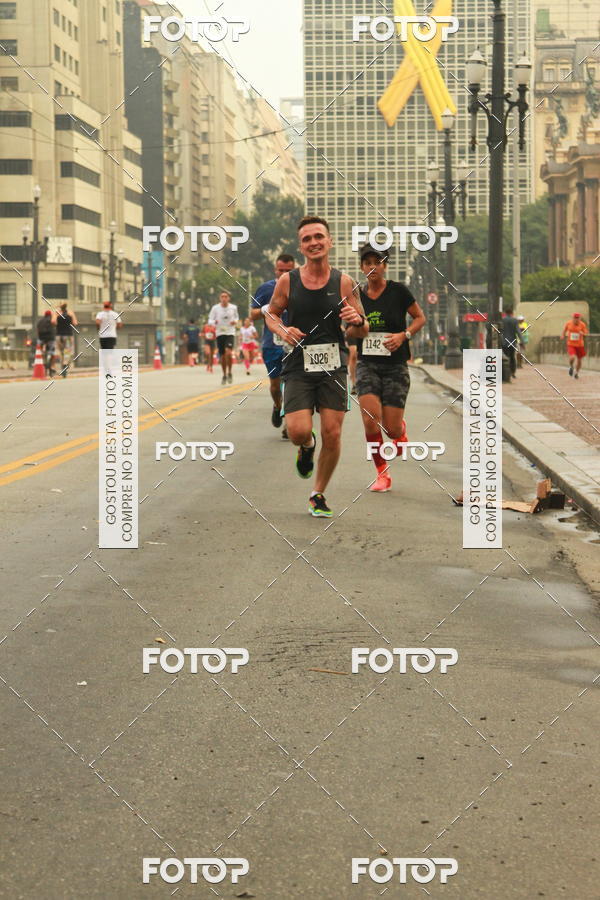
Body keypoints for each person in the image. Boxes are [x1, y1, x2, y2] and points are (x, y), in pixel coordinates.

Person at [265, 216, 369, 517]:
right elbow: (271, 314)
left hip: (333, 365)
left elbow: (362, 329)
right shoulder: (289, 281)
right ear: (301, 247)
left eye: (319, 236)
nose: (314, 242)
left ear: (329, 241)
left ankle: (317, 494)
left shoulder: (344, 282)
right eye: (307, 239)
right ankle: (307, 445)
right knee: (297, 431)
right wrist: (283, 330)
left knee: (332, 433)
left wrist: (357, 320)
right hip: (299, 364)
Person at [356, 245, 426, 492]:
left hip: (395, 365)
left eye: (377, 262)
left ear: (385, 266)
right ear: (361, 267)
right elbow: (348, 328)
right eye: (367, 263)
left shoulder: (398, 291)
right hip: (367, 365)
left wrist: (403, 335)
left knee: (391, 428)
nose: (372, 267)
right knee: (369, 420)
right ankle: (382, 473)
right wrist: (354, 330)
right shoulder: (357, 295)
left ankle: (400, 432)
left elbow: (420, 318)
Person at [251, 253, 296, 438]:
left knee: (293, 384)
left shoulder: (301, 287)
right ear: (275, 270)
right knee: (276, 386)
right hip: (272, 344)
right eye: (281, 270)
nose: (284, 273)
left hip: (294, 343)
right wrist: (265, 309)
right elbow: (252, 315)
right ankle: (278, 406)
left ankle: (288, 423)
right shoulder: (265, 288)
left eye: (288, 270)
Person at [208, 290, 239, 385]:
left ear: (229, 298)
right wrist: (214, 322)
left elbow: (237, 318)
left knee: (228, 353)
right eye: (222, 297)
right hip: (220, 333)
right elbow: (210, 320)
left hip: (230, 332)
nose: (224, 298)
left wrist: (235, 322)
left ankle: (230, 372)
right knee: (222, 356)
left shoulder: (233, 307)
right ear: (220, 298)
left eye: (226, 297)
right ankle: (224, 374)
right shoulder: (215, 308)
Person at [562, 311, 588, 379]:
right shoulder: (568, 323)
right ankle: (571, 366)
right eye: (575, 318)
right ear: (573, 318)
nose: (576, 319)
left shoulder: (582, 324)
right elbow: (564, 330)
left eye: (577, 318)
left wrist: (582, 333)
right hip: (571, 344)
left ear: (580, 318)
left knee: (579, 360)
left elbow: (586, 333)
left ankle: (576, 373)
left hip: (580, 345)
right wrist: (563, 335)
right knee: (572, 357)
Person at [55, 302, 78, 377]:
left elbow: (53, 322)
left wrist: (56, 313)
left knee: (61, 352)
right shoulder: (70, 314)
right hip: (68, 335)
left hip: (59, 336)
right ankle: (65, 365)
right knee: (67, 351)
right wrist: (72, 315)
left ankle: (62, 366)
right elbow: (75, 323)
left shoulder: (58, 314)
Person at [501, 306, 520, 380]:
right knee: (512, 357)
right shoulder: (515, 320)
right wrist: (522, 341)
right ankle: (513, 372)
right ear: (512, 313)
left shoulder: (502, 320)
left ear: (505, 313)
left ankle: (507, 372)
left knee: (506, 357)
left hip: (504, 342)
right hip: (512, 342)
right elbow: (518, 331)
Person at [36, 309, 57, 376]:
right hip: (50, 339)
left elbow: (37, 330)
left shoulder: (40, 321)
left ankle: (44, 361)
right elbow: (55, 325)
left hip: (41, 339)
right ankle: (52, 366)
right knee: (53, 353)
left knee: (40, 352)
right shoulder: (52, 320)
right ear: (50, 315)